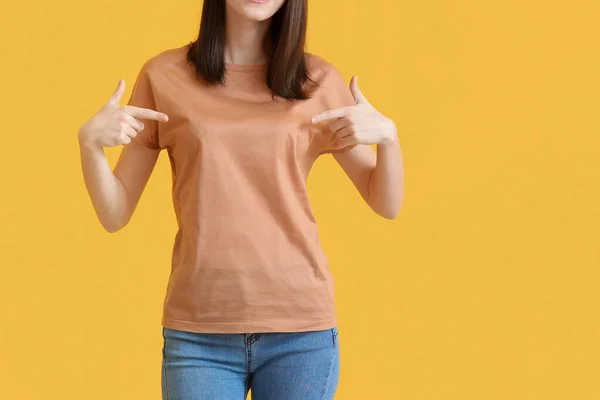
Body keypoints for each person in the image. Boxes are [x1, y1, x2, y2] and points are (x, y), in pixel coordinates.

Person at [77, 0, 403, 398]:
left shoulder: (317, 80)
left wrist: (389, 138)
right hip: (199, 331)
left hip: (300, 329)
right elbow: (115, 212)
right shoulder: (163, 76)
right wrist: (90, 145)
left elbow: (385, 202)